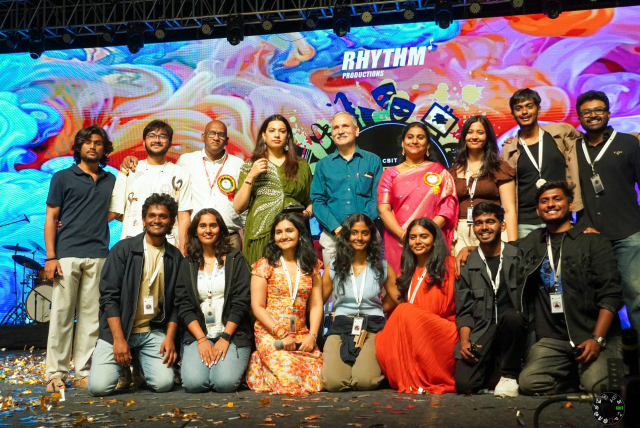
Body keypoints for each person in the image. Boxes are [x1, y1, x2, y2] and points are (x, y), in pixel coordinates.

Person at [516, 181, 622, 395]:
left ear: (570, 205)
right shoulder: (532, 241)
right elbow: (502, 250)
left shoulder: (593, 241)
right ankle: (573, 374)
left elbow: (611, 295)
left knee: (599, 386)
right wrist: (470, 249)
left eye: (557, 199)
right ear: (538, 210)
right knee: (529, 383)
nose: (550, 204)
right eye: (544, 201)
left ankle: (592, 369)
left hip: (591, 333)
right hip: (554, 339)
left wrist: (597, 339)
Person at [43, 125, 117, 392]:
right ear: (78, 147)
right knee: (61, 316)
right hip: (66, 255)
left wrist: (93, 220)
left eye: (98, 142)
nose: (92, 146)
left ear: (104, 149)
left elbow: (116, 211)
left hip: (98, 255)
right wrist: (51, 257)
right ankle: (55, 374)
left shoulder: (110, 180)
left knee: (91, 318)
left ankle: (83, 372)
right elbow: (51, 217)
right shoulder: (62, 177)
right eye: (87, 142)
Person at [88, 193, 182, 396]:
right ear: (143, 219)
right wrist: (118, 339)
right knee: (98, 388)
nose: (157, 220)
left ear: (172, 221)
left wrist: (170, 338)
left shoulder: (175, 257)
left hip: (152, 331)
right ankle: (123, 366)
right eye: (152, 215)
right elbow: (108, 298)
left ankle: (139, 363)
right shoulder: (123, 250)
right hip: (119, 331)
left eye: (163, 216)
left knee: (164, 384)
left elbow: (177, 303)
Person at [118, 120, 245, 250]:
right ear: (203, 137)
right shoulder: (186, 161)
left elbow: (245, 201)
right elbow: (163, 177)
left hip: (229, 236)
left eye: (221, 134)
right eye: (212, 133)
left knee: (234, 264)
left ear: (227, 140)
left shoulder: (239, 165)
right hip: (196, 237)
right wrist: (130, 160)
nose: (216, 138)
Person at [574, 90, 640, 341]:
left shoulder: (628, 144)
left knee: (636, 296)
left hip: (628, 233)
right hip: (590, 236)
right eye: (586, 112)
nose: (592, 115)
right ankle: (605, 353)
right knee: (594, 298)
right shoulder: (573, 148)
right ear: (579, 117)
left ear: (609, 114)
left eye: (598, 110)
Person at [375, 217, 458, 394]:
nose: (417, 241)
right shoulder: (406, 272)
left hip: (443, 334)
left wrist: (468, 249)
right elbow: (390, 302)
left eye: (424, 236)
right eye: (413, 237)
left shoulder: (451, 264)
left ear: (435, 240)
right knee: (380, 339)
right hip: (415, 336)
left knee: (403, 310)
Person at [175, 208, 253, 393]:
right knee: (194, 384)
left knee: (223, 383)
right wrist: (202, 340)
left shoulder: (236, 260)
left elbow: (241, 302)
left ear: (221, 230)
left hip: (232, 335)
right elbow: (183, 305)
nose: (208, 230)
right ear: (195, 231)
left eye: (213, 225)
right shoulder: (187, 263)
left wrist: (225, 337)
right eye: (202, 226)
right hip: (200, 334)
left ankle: (226, 367)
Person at [246, 212, 324, 395]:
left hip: (301, 333)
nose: (284, 236)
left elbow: (316, 305)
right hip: (271, 332)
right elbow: (257, 307)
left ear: (300, 234)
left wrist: (312, 336)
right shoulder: (265, 265)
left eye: (289, 230)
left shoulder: (311, 265)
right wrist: (281, 333)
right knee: (289, 376)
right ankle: (262, 361)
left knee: (320, 378)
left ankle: (263, 364)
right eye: (278, 232)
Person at [320, 213, 400, 392]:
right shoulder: (334, 266)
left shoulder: (382, 266)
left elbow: (397, 298)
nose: (359, 238)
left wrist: (379, 308)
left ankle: (361, 368)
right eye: (354, 232)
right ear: (347, 235)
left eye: (365, 233)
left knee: (365, 381)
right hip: (341, 325)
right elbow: (318, 302)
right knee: (333, 383)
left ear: (371, 236)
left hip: (373, 326)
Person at [453, 202, 526, 397]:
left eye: (490, 222)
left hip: (511, 330)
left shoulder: (518, 256)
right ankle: (494, 371)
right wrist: (465, 341)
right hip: (482, 330)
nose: (484, 227)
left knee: (513, 317)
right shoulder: (467, 263)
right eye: (478, 223)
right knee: (464, 385)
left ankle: (509, 373)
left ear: (502, 225)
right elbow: (464, 310)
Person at [500, 88, 583, 238]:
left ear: (538, 109)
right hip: (525, 223)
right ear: (513, 114)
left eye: (529, 106)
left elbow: (590, 142)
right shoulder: (509, 149)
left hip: (561, 217)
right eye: (519, 108)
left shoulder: (559, 133)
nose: (524, 112)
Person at [377, 122, 458, 272]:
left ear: (427, 145)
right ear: (403, 143)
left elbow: (447, 208)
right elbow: (383, 209)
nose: (414, 141)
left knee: (431, 280)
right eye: (410, 137)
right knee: (399, 281)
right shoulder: (390, 174)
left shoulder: (440, 172)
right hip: (398, 239)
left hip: (431, 240)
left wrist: (426, 234)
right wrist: (404, 236)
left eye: (420, 137)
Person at [234, 115, 313, 265]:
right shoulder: (251, 164)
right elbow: (238, 207)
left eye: (282, 131)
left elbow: (311, 200)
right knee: (261, 276)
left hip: (294, 233)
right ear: (264, 135)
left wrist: (307, 214)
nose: (277, 135)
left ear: (288, 136)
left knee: (296, 275)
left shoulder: (301, 165)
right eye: (272, 131)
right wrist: (251, 175)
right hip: (261, 235)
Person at [311, 111, 383, 268]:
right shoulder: (323, 165)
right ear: (332, 134)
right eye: (336, 128)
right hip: (333, 237)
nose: (340, 131)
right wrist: (337, 228)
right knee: (335, 283)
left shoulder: (373, 161)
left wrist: (359, 227)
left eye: (345, 126)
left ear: (356, 130)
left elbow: (378, 198)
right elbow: (318, 201)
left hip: (367, 234)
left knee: (370, 280)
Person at [110, 120, 192, 253]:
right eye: (152, 135)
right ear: (143, 142)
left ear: (170, 143)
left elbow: (183, 216)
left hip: (169, 245)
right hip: (132, 245)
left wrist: (183, 251)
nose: (157, 140)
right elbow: (117, 211)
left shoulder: (180, 173)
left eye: (162, 136)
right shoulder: (129, 170)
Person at [448, 116, 517, 254]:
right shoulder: (452, 172)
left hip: (492, 229)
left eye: (480, 132)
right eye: (470, 132)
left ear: (487, 137)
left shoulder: (500, 168)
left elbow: (509, 210)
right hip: (461, 233)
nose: (474, 137)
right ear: (464, 136)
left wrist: (513, 245)